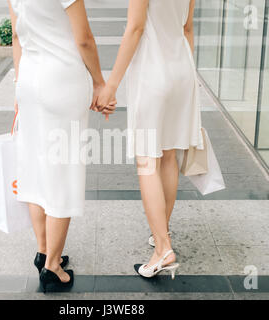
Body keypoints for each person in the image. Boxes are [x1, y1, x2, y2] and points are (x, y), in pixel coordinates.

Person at [8, 0, 114, 292]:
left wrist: (20, 83)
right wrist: (99, 83)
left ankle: (44, 251)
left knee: (36, 168)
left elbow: (17, 36)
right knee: (62, 171)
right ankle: (53, 268)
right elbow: (84, 39)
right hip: (62, 81)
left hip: (28, 80)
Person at [97, 0, 202, 279]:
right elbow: (187, 29)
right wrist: (186, 77)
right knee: (168, 156)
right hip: (182, 72)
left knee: (147, 160)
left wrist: (111, 85)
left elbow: (135, 28)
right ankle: (160, 235)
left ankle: (163, 249)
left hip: (152, 76)